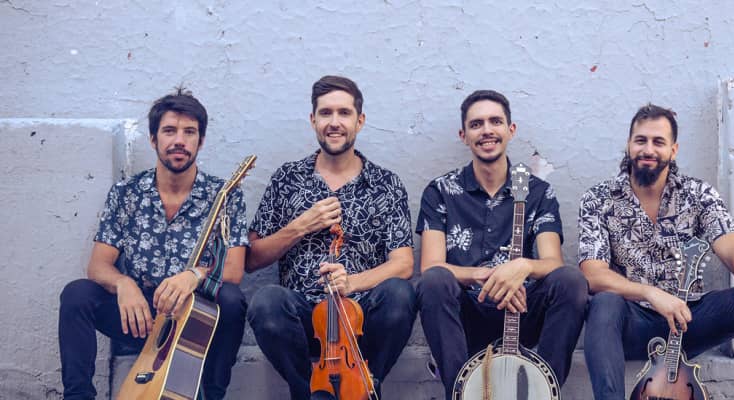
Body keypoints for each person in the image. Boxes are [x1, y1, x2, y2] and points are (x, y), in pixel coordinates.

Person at [578, 103, 734, 400]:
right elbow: (592, 274)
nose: (648, 149)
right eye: (641, 140)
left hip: (688, 320)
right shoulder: (598, 199)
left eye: (658, 142)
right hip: (631, 322)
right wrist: (651, 294)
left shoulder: (697, 194)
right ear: (629, 145)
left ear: (673, 150)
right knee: (603, 303)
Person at [58, 88, 249, 400]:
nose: (179, 141)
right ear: (152, 139)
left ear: (200, 141)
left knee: (231, 299)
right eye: (169, 131)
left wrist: (193, 276)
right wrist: (123, 284)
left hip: (193, 320)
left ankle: (212, 395)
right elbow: (98, 265)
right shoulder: (126, 193)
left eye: (189, 132)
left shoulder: (225, 195)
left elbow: (234, 269)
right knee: (77, 295)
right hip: (139, 316)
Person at [245, 75, 417, 399]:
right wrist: (300, 226)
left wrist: (352, 283)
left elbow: (404, 263)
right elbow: (252, 258)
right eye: (325, 113)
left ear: (359, 121)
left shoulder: (386, 183)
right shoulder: (287, 178)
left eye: (344, 113)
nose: (334, 122)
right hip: (303, 316)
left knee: (400, 294)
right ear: (313, 120)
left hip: (361, 315)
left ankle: (365, 387)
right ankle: (309, 393)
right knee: (266, 302)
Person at [416, 89, 589, 400]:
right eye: (476, 124)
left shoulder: (538, 191)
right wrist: (485, 275)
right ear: (463, 135)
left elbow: (552, 262)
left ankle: (542, 392)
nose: (487, 130)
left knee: (571, 280)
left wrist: (522, 266)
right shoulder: (440, 191)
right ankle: (459, 393)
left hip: (521, 310)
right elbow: (431, 265)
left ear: (511, 130)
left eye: (495, 121)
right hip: (466, 314)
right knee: (433, 281)